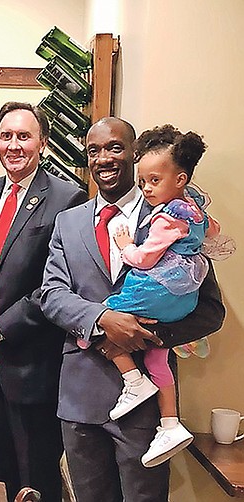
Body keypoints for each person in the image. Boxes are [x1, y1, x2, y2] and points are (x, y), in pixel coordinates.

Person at [41, 117, 225, 502]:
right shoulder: (68, 223)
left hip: (149, 410)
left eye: (115, 148)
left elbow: (211, 310)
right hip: (81, 398)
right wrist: (102, 319)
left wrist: (149, 335)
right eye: (94, 150)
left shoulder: (172, 214)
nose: (104, 158)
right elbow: (52, 294)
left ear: (134, 154)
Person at [0, 102, 87, 502]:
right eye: (6, 136)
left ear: (42, 142)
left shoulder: (67, 199)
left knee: (35, 481)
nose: (14, 145)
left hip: (31, 366)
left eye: (24, 136)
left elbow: (55, 285)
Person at [101, 125, 220, 467]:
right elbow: (213, 230)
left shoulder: (165, 216)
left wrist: (126, 246)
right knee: (159, 358)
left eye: (154, 180)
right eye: (144, 182)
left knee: (99, 319)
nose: (147, 189)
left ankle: (134, 381)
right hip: (183, 291)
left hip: (159, 288)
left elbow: (144, 258)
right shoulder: (195, 205)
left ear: (180, 178)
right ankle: (171, 423)